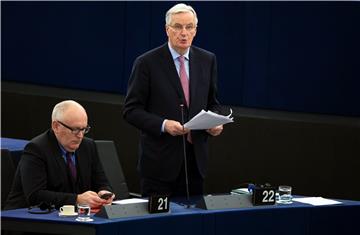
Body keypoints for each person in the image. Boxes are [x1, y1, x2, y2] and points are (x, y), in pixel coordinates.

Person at [123, 3, 223, 197]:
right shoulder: (147, 63)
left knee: (192, 224)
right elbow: (131, 110)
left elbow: (213, 102)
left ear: (195, 30)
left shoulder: (207, 60)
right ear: (167, 29)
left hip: (195, 162)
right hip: (159, 165)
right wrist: (163, 124)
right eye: (177, 27)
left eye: (189, 27)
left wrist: (216, 121)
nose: (183, 33)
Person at [5, 100, 115, 211]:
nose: (80, 135)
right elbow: (35, 196)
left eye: (84, 129)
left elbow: (102, 182)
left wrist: (104, 192)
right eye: (75, 129)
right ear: (56, 126)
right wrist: (77, 199)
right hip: (27, 218)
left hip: (70, 215)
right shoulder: (36, 149)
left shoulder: (88, 146)